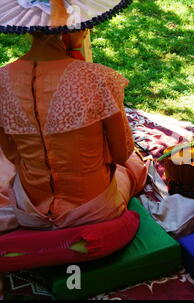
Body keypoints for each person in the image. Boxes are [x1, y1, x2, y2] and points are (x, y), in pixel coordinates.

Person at [0, 0, 147, 233]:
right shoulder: (98, 78)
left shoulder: (2, 80)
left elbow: (12, 155)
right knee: (134, 166)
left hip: (29, 210)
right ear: (76, 27)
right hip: (94, 209)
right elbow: (121, 154)